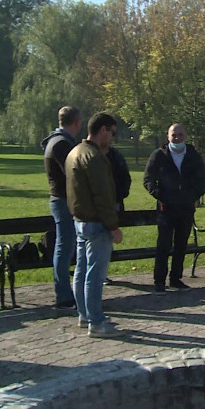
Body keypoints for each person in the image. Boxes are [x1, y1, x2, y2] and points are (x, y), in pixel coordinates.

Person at [65, 112, 123, 338]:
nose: (113, 137)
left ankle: (85, 315)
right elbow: (103, 196)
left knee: (81, 271)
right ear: (103, 130)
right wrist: (113, 226)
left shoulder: (74, 152)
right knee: (95, 275)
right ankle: (97, 322)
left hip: (80, 220)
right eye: (112, 132)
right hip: (97, 223)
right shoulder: (95, 157)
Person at [143, 124, 205, 295]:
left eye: (180, 135)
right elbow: (148, 179)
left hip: (186, 207)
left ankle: (176, 278)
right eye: (174, 135)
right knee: (163, 245)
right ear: (168, 136)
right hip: (166, 208)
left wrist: (193, 196)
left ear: (185, 136)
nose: (177, 138)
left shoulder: (192, 155)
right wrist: (159, 195)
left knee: (181, 244)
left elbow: (202, 178)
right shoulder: (159, 155)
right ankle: (159, 280)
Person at [40, 106, 82, 310]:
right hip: (63, 200)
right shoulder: (61, 144)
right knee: (64, 247)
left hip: (61, 199)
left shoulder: (55, 141)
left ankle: (66, 293)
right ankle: (63, 296)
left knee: (65, 246)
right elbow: (73, 173)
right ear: (77, 122)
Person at [102, 145, 131, 286]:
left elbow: (125, 177)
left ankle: (102, 272)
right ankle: (100, 273)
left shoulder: (116, 156)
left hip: (114, 202)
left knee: (107, 239)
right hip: (97, 204)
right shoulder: (91, 155)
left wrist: (119, 195)